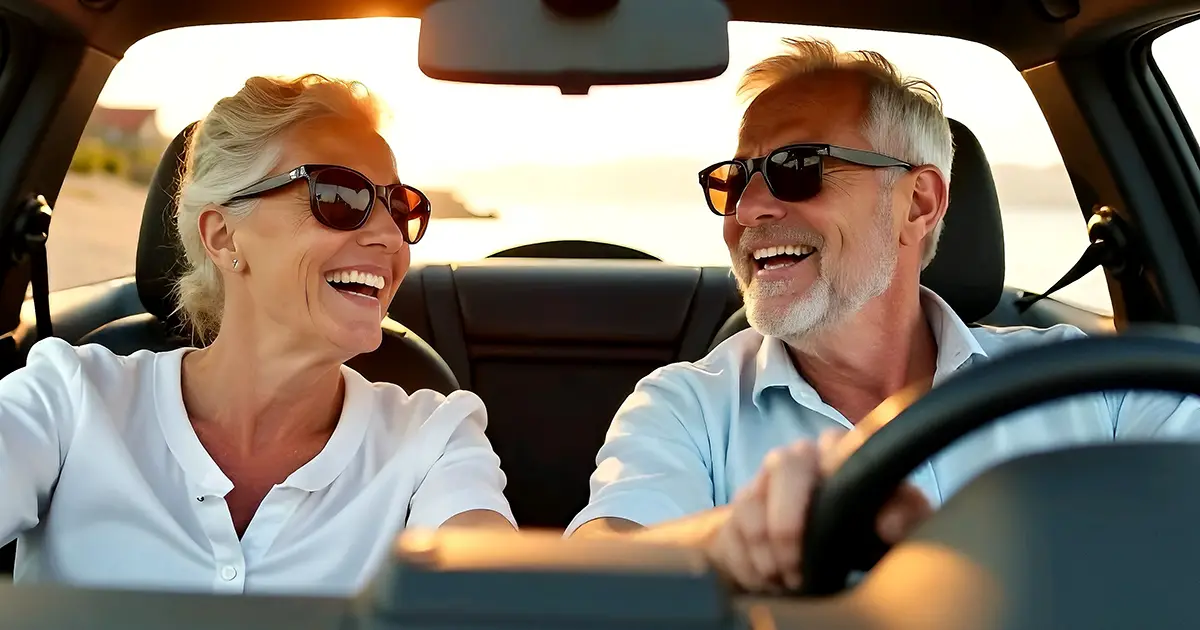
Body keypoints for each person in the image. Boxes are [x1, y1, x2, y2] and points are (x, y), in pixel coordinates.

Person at [566, 38, 1200, 592]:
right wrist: (727, 545)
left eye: (798, 168)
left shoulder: (1089, 384)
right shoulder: (687, 407)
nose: (748, 208)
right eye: (735, 178)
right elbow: (598, 570)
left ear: (918, 203)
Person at [0, 74, 515, 595]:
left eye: (399, 206)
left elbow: (495, 594)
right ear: (223, 236)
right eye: (339, 195)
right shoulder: (68, 399)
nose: (387, 235)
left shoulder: (433, 438)